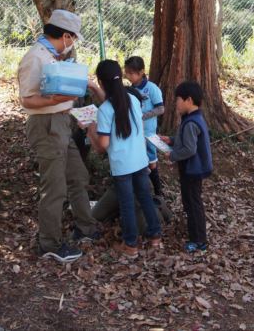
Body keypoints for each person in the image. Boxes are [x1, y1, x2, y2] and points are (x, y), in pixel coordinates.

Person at [17, 9, 100, 263]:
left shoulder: (52, 56)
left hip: (63, 122)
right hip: (47, 124)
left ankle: (85, 228)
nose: (72, 43)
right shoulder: (35, 57)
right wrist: (58, 98)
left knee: (77, 175)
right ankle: (49, 243)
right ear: (65, 35)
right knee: (54, 187)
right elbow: (27, 100)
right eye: (72, 38)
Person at [85, 60, 162, 259]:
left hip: (122, 166)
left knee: (127, 203)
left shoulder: (105, 110)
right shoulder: (133, 99)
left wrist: (88, 129)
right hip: (140, 160)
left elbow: (102, 146)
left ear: (102, 83)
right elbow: (112, 102)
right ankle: (155, 237)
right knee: (145, 198)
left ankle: (131, 244)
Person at [160, 81, 212, 254]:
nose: (176, 104)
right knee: (191, 202)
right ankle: (197, 236)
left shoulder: (190, 122)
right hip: (193, 169)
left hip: (192, 169)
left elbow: (189, 149)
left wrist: (172, 154)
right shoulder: (195, 118)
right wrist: (172, 140)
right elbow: (187, 140)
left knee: (193, 204)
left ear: (189, 100)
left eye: (178, 100)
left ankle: (199, 241)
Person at [124, 56, 165, 197]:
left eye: (131, 73)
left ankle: (158, 192)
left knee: (152, 162)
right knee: (138, 162)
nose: (128, 76)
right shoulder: (129, 90)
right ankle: (141, 192)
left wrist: (142, 116)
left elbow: (161, 109)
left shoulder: (152, 88)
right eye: (126, 73)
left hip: (148, 133)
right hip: (134, 133)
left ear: (141, 72)